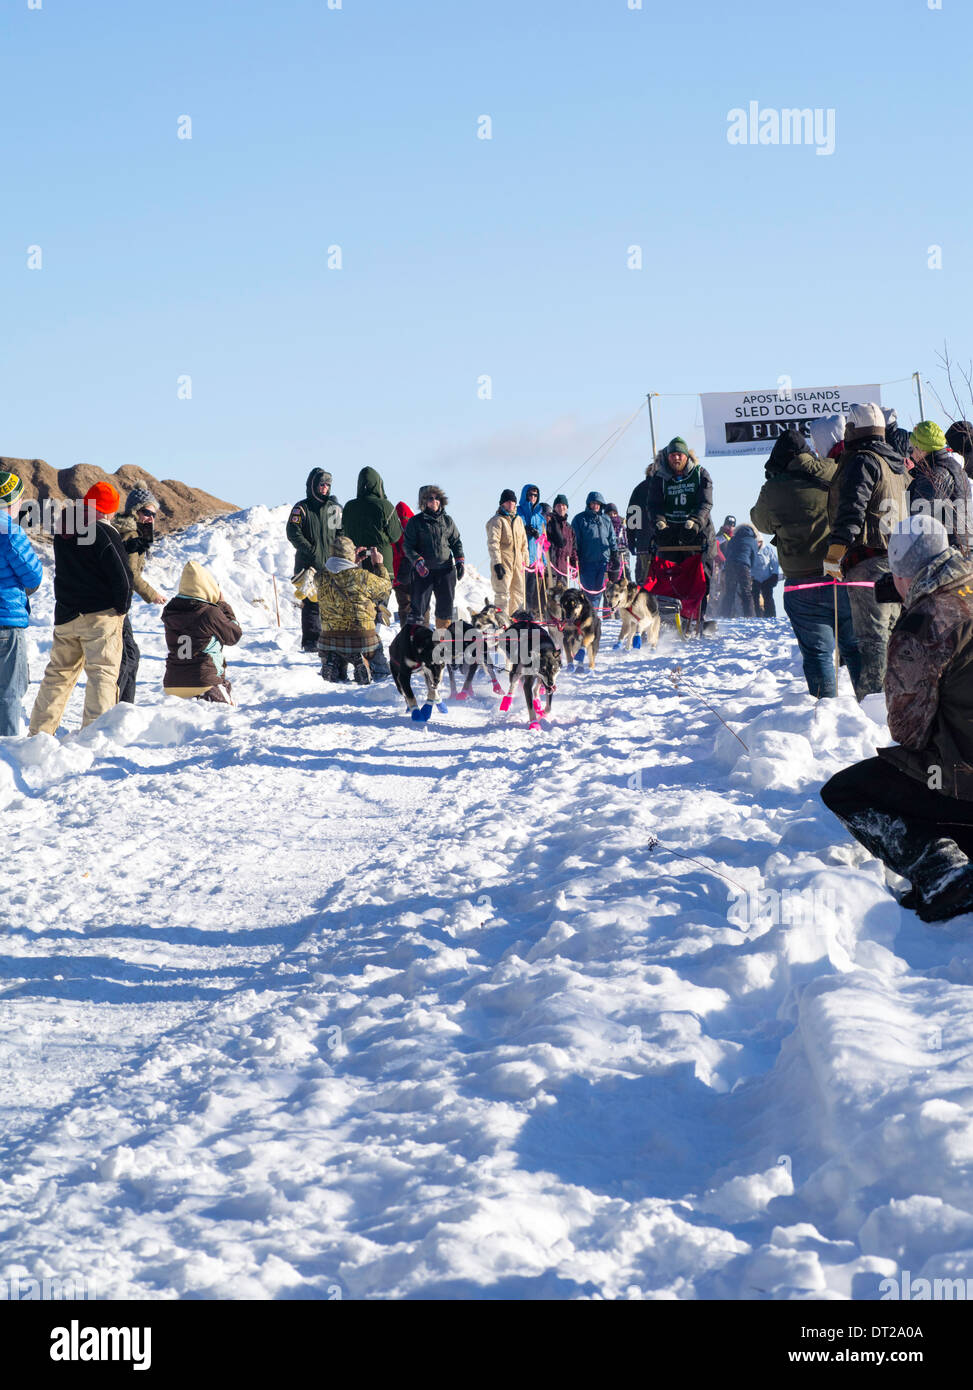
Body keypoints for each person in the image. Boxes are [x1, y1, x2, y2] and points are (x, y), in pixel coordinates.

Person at [821, 515, 973, 922]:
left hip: (964, 778)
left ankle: (944, 871)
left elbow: (907, 730)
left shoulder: (926, 623)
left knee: (846, 791)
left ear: (904, 574)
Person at [751, 426, 860, 699]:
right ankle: (870, 707)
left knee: (818, 653)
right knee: (855, 646)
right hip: (841, 573)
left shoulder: (773, 488)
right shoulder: (834, 471)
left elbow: (760, 522)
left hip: (801, 582)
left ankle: (825, 711)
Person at [30, 482, 133, 735]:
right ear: (106, 510)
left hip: (66, 615)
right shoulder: (105, 532)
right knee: (102, 676)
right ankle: (94, 736)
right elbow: (123, 577)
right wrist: (121, 608)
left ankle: (39, 734)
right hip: (100, 616)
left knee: (57, 677)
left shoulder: (65, 529)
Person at [822, 402, 909, 697]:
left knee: (872, 640)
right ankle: (900, 703)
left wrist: (836, 551)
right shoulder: (897, 464)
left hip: (867, 561)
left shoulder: (862, 461)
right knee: (893, 639)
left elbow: (852, 509)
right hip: (900, 563)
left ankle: (874, 709)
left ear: (852, 430)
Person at [645, 437, 717, 603]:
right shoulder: (660, 478)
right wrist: (660, 524)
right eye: (672, 455)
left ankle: (697, 615)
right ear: (667, 457)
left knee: (698, 578)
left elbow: (705, 502)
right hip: (670, 533)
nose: (676, 458)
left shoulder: (700, 474)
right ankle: (670, 617)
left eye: (679, 455)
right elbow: (654, 505)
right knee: (669, 576)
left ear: (686, 456)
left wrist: (694, 522)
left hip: (697, 533)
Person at [0, 470, 44, 737]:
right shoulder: (8, 530)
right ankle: (5, 753)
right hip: (6, 621)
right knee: (9, 691)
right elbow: (33, 574)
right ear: (10, 501)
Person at [162, 561, 242, 704]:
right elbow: (233, 635)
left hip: (172, 683)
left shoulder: (170, 610)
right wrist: (223, 606)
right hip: (204, 682)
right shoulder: (209, 612)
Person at [114, 487, 165, 703]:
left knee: (129, 655)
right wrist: (152, 594)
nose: (151, 518)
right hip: (116, 604)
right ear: (135, 511)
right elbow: (131, 574)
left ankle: (122, 707)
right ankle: (118, 708)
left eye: (154, 514)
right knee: (128, 656)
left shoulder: (135, 533)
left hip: (120, 602)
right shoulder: (131, 534)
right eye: (147, 513)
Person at [317, 536, 393, 683]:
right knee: (383, 675)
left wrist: (352, 563)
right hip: (363, 638)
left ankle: (335, 662)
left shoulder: (319, 578)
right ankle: (366, 663)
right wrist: (379, 565)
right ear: (350, 554)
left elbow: (339, 572)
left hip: (329, 639)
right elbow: (385, 589)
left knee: (337, 645)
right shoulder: (362, 577)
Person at [286, 469, 343, 653]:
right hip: (307, 564)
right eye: (321, 484)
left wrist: (340, 554)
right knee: (311, 604)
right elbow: (293, 532)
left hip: (330, 564)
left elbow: (340, 534)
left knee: (330, 604)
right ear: (313, 485)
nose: (324, 488)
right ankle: (311, 642)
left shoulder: (334, 509)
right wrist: (311, 551)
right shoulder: (301, 508)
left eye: (327, 485)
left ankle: (329, 639)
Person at [906, 420, 972, 554]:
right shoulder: (953, 467)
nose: (911, 454)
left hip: (948, 552)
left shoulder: (936, 474)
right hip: (960, 547)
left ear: (923, 449)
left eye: (912, 448)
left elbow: (919, 516)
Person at [403, 485, 464, 627]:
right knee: (419, 607)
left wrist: (460, 561)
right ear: (423, 501)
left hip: (446, 570)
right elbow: (408, 546)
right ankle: (417, 639)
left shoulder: (448, 521)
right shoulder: (415, 522)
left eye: (437, 498)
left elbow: (456, 542)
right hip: (424, 571)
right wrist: (417, 562)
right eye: (430, 498)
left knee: (445, 608)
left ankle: (442, 641)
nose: (434, 501)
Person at [341, 468, 403, 574]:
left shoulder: (349, 507)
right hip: (381, 563)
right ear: (378, 484)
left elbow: (345, 533)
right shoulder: (385, 506)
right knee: (381, 589)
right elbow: (395, 535)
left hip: (356, 562)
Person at [486, 489, 528, 618]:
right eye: (508, 501)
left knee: (518, 593)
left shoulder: (518, 520)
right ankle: (501, 621)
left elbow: (524, 543)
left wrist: (525, 562)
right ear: (502, 503)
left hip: (518, 563)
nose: (511, 504)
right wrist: (497, 563)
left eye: (513, 502)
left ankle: (516, 621)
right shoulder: (497, 521)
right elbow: (493, 543)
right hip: (504, 562)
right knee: (502, 594)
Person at [571, 491, 617, 602]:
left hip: (603, 562)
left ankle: (594, 616)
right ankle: (589, 616)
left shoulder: (606, 519)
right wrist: (575, 557)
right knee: (588, 593)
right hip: (587, 562)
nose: (595, 506)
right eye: (593, 503)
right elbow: (575, 540)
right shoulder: (580, 519)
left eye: (598, 503)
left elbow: (611, 537)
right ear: (589, 504)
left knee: (599, 592)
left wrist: (614, 553)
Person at [517, 484, 547, 618]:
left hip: (535, 559)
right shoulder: (518, 512)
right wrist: (526, 529)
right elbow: (516, 529)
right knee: (519, 590)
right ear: (525, 495)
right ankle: (518, 615)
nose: (533, 498)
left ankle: (528, 616)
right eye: (530, 495)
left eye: (535, 495)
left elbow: (543, 542)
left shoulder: (540, 518)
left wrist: (544, 561)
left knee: (531, 592)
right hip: (521, 558)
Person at [720, 522, 758, 618]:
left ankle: (725, 615)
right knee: (746, 592)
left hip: (730, 564)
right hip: (743, 566)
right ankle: (749, 615)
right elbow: (754, 557)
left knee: (729, 591)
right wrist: (750, 568)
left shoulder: (733, 539)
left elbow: (727, 553)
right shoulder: (753, 540)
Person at [391, 500, 414, 625]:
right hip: (416, 573)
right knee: (421, 607)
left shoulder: (392, 530)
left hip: (399, 577)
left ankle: (406, 635)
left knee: (404, 607)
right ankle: (421, 633)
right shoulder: (416, 528)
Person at [546, 493, 577, 586]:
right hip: (552, 568)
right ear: (554, 507)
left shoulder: (569, 528)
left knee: (563, 597)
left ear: (567, 508)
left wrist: (575, 565)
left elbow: (574, 549)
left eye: (563, 505)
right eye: (558, 505)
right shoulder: (549, 523)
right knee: (551, 597)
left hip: (564, 569)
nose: (561, 508)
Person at [750, 534, 780, 615]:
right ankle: (757, 614)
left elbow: (775, 563)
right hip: (755, 579)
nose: (756, 544)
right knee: (755, 597)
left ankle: (771, 614)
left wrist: (775, 574)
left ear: (761, 542)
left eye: (758, 542)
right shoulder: (751, 551)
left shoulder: (768, 550)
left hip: (767, 578)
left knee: (768, 597)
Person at [604, 503, 631, 583]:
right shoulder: (604, 528)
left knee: (626, 576)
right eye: (610, 514)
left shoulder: (622, 528)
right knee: (612, 579)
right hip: (610, 556)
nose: (612, 516)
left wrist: (625, 548)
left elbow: (626, 542)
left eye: (614, 513)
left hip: (623, 555)